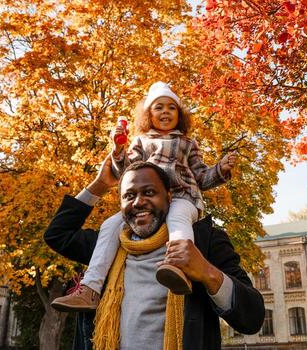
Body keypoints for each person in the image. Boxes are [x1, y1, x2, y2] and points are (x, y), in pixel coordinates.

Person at [51, 82, 236, 311]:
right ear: (148, 115)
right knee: (110, 225)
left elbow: (201, 176)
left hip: (181, 197)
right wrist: (118, 152)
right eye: (158, 108)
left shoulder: (187, 143)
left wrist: (220, 169)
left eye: (171, 108)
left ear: (180, 115)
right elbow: (127, 172)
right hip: (149, 201)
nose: (165, 112)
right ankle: (90, 288)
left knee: (178, 219)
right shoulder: (141, 141)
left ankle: (178, 266)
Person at [43, 157, 264, 349]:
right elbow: (57, 234)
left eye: (149, 192)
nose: (139, 202)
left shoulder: (204, 242)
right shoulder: (106, 248)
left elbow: (252, 318)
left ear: (169, 197)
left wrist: (207, 272)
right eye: (129, 196)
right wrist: (100, 185)